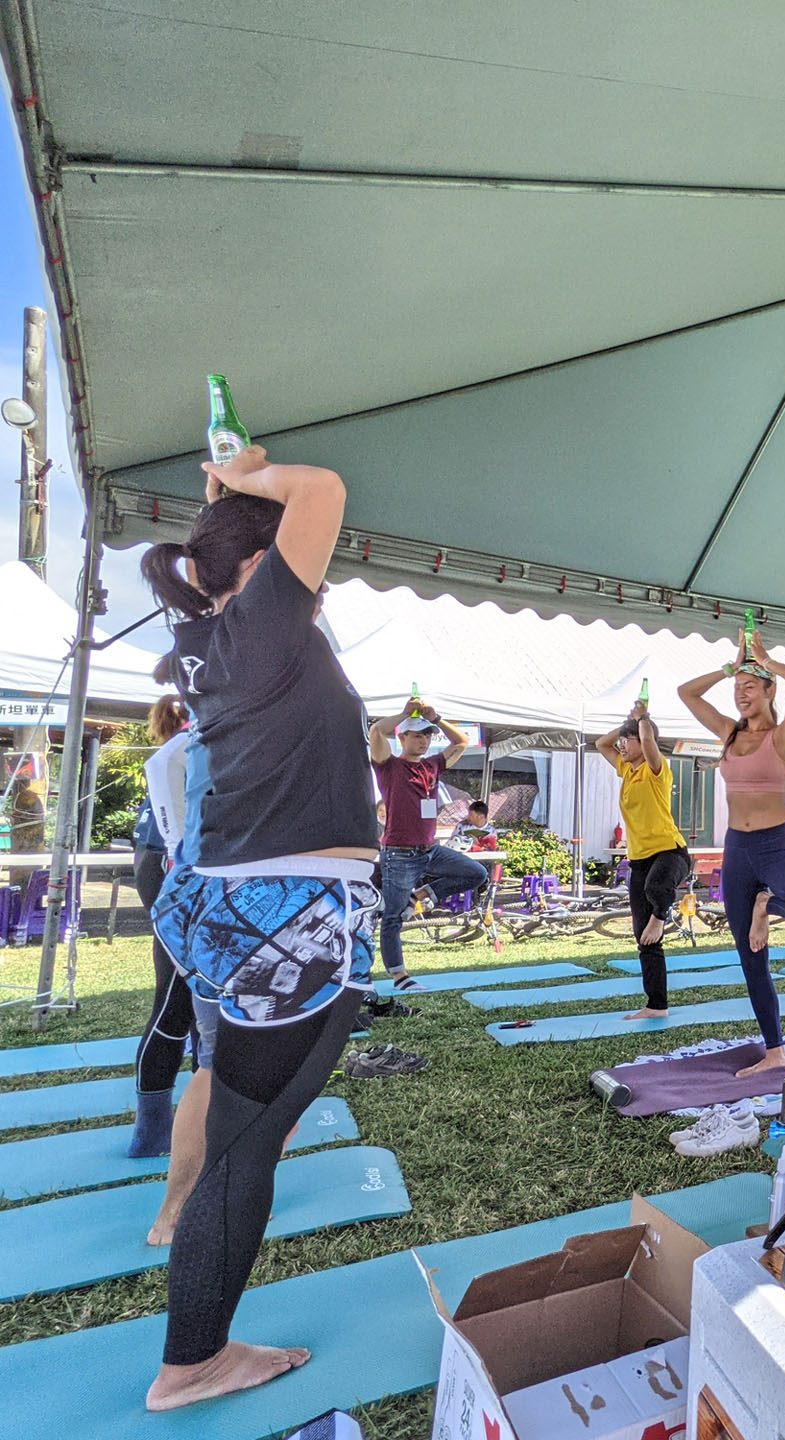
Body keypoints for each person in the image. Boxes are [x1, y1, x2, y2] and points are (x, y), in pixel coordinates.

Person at [140, 445, 380, 1410]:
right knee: (246, 1148)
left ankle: (194, 1347)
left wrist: (230, 506)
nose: (313, 582)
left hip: (249, 912)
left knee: (247, 1133)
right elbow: (323, 489)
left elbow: (245, 549)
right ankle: (192, 1360)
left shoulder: (208, 631)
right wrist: (253, 475)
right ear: (257, 570)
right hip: (291, 921)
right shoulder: (262, 623)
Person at [679, 629, 785, 1077]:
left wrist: (765, 658)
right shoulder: (728, 733)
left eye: (750, 687)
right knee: (750, 955)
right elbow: (685, 693)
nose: (740, 695)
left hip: (776, 843)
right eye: (736, 689)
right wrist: (730, 667)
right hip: (738, 849)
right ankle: (775, 1050)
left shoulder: (783, 737)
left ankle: (769, 903)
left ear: (769, 690)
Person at [368, 701, 488, 989]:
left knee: (477, 874)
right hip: (398, 854)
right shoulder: (390, 766)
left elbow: (462, 741)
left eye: (427, 736)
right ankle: (399, 976)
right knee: (393, 917)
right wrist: (405, 714)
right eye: (417, 735)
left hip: (429, 850)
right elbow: (375, 731)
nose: (424, 741)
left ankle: (419, 894)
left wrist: (438, 718)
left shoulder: (432, 765)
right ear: (402, 738)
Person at [127, 693, 194, 1160]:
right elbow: (175, 840)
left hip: (173, 866)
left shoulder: (193, 745)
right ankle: (151, 1130)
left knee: (199, 1001)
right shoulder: (179, 751)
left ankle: (187, 1112)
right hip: (174, 869)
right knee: (175, 998)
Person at [595, 701, 691, 1020]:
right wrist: (626, 723)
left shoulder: (656, 769)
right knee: (644, 938)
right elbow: (601, 744)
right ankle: (656, 1005)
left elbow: (649, 741)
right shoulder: (626, 769)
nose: (621, 745)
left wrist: (642, 720)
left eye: (628, 740)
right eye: (623, 740)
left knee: (657, 887)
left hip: (669, 852)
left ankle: (661, 915)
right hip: (638, 860)